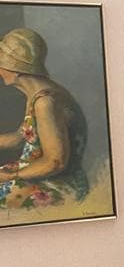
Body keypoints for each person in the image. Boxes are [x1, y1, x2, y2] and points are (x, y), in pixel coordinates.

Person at [0, 27, 88, 210]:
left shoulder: (45, 103)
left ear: (16, 69)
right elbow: (21, 138)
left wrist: (11, 176)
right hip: (37, 173)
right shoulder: (36, 93)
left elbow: (55, 162)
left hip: (56, 184)